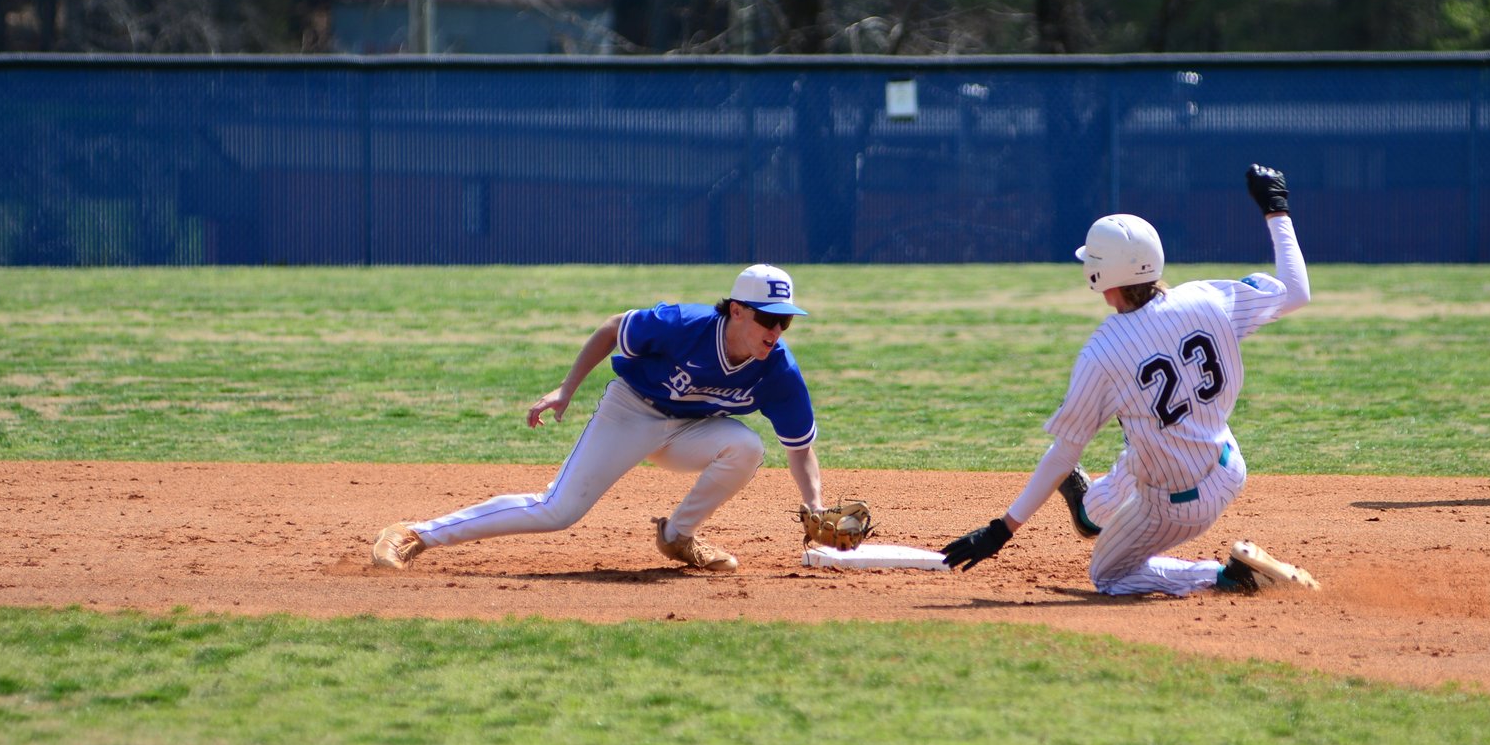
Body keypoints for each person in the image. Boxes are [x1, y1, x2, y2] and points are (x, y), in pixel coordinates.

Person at [935, 166, 1322, 597]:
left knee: (1108, 575)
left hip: (1175, 505)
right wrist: (1276, 208)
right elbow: (1296, 291)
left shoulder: (1103, 352)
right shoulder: (1208, 298)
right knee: (1144, 439)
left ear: (1100, 275)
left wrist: (1001, 529)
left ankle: (1227, 577)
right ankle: (1090, 509)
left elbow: (1065, 452)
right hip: (1228, 465)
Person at [371, 264, 827, 574]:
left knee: (746, 447)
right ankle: (415, 534)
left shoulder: (779, 369)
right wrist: (566, 390)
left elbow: (800, 446)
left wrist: (816, 506)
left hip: (691, 431)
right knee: (557, 510)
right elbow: (613, 328)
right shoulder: (682, 325)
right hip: (631, 412)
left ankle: (677, 536)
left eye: (784, 322)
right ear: (737, 310)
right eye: (768, 319)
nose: (776, 331)